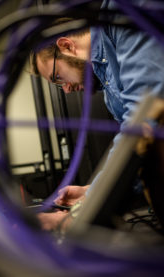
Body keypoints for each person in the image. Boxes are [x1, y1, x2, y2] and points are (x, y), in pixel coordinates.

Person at [31, 0, 164, 230]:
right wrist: (89, 192)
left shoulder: (121, 12)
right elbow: (133, 155)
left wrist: (76, 217)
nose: (65, 89)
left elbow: (144, 119)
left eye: (57, 78)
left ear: (66, 46)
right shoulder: (108, 88)